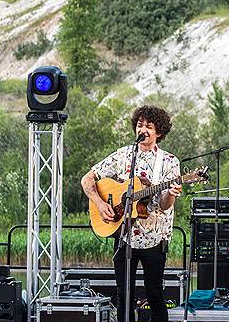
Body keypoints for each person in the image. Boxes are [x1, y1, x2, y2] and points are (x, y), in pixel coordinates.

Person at [81, 106, 182, 322]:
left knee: (154, 293)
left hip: (155, 238)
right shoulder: (123, 155)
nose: (143, 129)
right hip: (124, 235)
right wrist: (99, 204)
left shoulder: (169, 162)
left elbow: (164, 205)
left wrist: (171, 194)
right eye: (140, 125)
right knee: (124, 295)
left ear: (159, 133)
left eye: (149, 126)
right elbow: (87, 179)